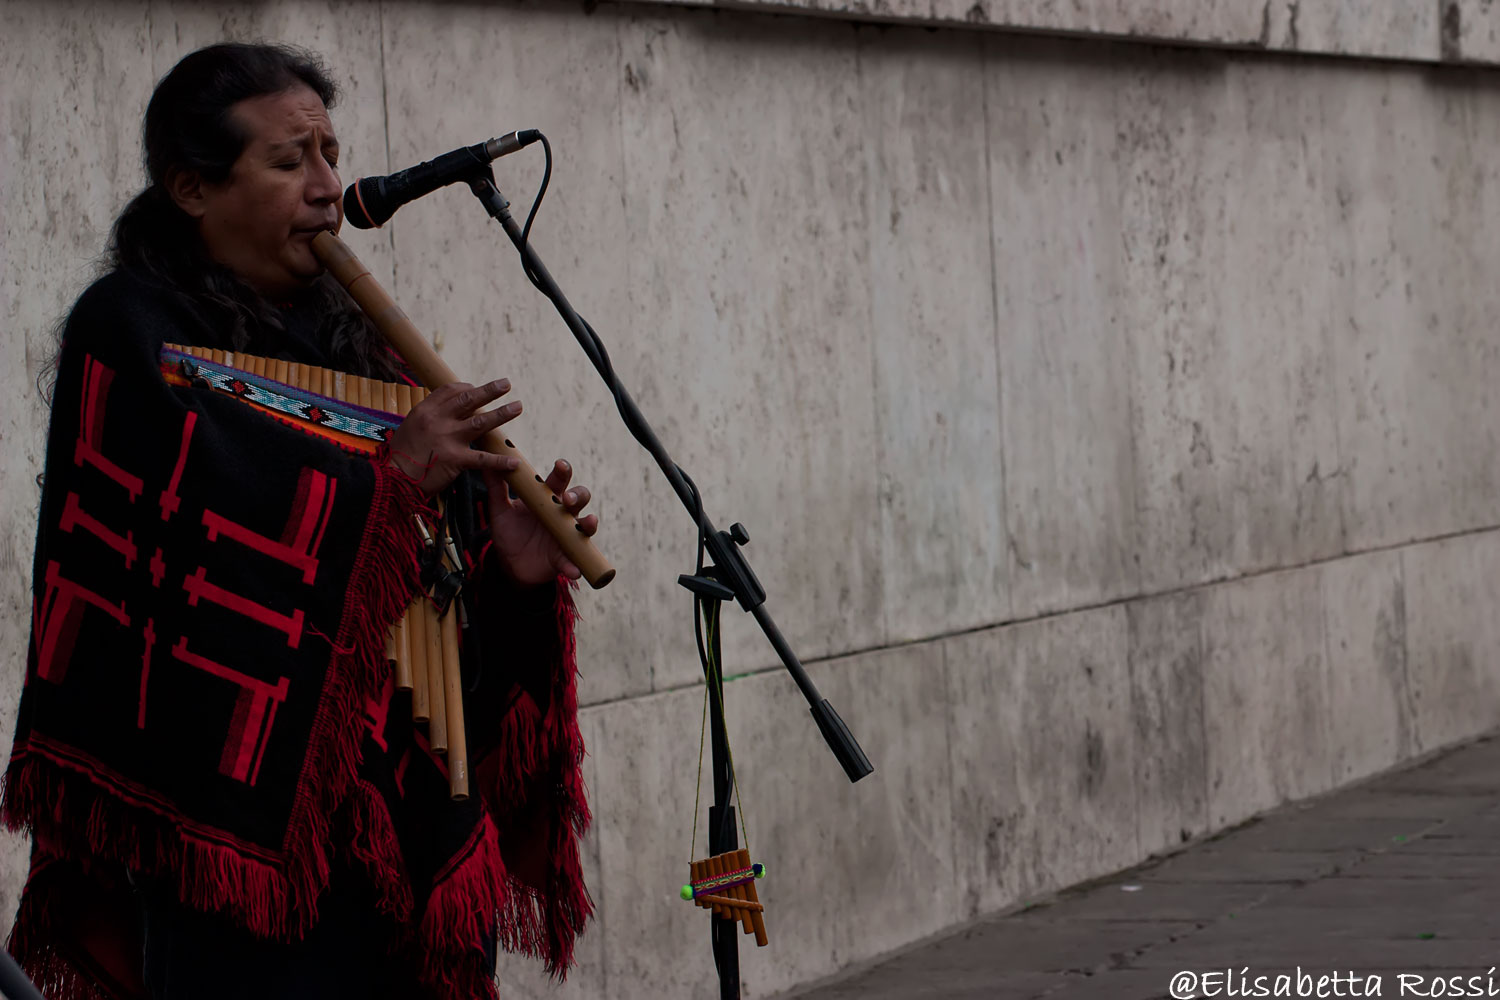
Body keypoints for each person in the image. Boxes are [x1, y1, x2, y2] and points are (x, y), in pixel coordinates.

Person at [3, 42, 595, 999]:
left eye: (331, 152)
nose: (331, 188)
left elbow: (427, 622)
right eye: (290, 162)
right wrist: (388, 476)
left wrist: (508, 575)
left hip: (401, 834)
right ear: (192, 189)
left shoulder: (369, 353)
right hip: (234, 851)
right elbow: (185, 543)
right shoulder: (129, 330)